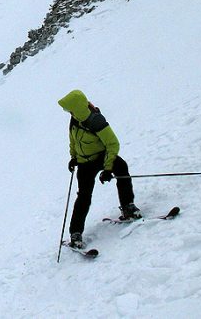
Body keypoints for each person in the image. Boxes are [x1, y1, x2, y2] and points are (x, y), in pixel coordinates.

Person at [58, 89, 141, 248]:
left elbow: (112, 143)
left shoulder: (95, 121)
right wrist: (73, 157)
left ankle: (128, 206)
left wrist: (108, 168)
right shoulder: (74, 119)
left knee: (121, 169)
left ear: (76, 107)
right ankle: (75, 233)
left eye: (68, 108)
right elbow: (73, 141)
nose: (67, 112)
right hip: (84, 163)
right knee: (84, 196)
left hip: (103, 156)